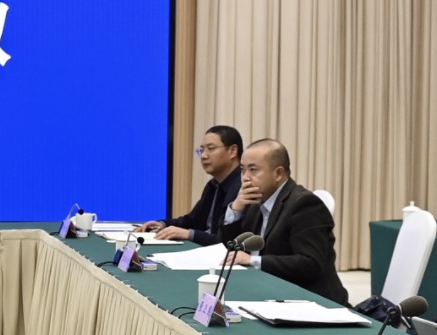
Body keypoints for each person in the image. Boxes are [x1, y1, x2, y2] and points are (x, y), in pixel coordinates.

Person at [213, 139, 349, 306]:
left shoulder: (305, 205)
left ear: (278, 173)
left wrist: (252, 261)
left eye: (253, 170)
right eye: (243, 170)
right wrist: (235, 209)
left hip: (310, 301)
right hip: (267, 291)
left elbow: (310, 264)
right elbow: (230, 250)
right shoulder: (255, 202)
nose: (245, 178)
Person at [137, 126, 243, 245]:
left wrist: (188, 234)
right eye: (201, 150)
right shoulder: (213, 185)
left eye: (211, 148)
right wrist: (163, 224)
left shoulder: (242, 189)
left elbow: (225, 240)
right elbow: (192, 220)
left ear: (233, 151)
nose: (204, 156)